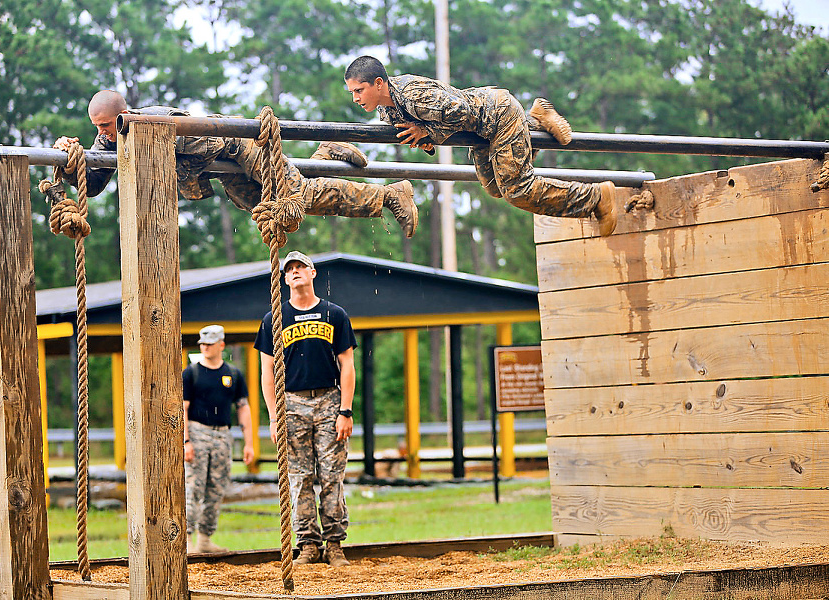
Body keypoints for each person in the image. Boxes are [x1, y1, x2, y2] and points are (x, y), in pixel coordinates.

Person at [53, 90, 418, 237]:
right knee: (268, 204)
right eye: (98, 129)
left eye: (108, 125)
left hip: (239, 147)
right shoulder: (110, 138)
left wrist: (279, 176)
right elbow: (96, 182)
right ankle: (324, 156)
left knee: (295, 194)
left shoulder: (155, 121)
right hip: (222, 172)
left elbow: (214, 141)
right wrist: (71, 163)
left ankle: (389, 195)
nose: (105, 134)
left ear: (124, 114)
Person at [343, 56, 619, 236]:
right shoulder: (387, 111)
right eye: (352, 93)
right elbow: (432, 131)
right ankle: (535, 120)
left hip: (497, 115)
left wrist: (427, 130)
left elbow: (461, 111)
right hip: (480, 133)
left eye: (359, 91)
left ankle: (596, 197)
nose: (356, 99)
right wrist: (424, 139)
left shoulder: (414, 96)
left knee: (517, 189)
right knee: (495, 188)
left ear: (379, 83)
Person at [254, 251, 356, 568]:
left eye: (301, 267)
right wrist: (273, 417)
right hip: (292, 403)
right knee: (299, 478)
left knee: (331, 476)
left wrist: (346, 411)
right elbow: (267, 373)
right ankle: (308, 544)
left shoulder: (334, 314)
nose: (295, 272)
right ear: (284, 279)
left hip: (328, 400)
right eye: (290, 269)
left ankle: (335, 544)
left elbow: (348, 364)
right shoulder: (274, 318)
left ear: (313, 273)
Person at [182, 324, 254, 554]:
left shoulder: (232, 373)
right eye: (202, 344)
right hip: (197, 431)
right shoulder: (191, 373)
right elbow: (182, 409)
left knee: (216, 488)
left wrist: (249, 442)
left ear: (221, 345)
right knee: (193, 487)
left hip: (222, 433)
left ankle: (205, 538)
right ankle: (187, 539)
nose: (205, 348)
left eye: (209, 344)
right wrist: (186, 442)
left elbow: (243, 407)